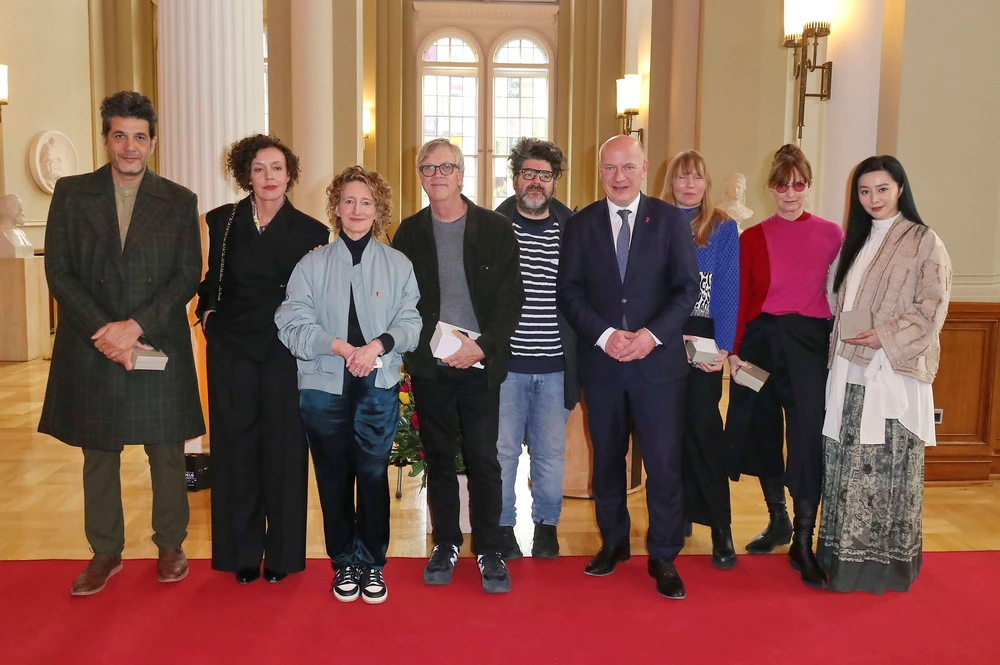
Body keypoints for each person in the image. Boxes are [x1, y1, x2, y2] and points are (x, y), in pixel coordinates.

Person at [39, 91, 204, 596]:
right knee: (99, 450)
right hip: (92, 344)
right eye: (120, 135)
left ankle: (170, 544)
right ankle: (105, 551)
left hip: (155, 341)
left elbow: (186, 276)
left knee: (167, 450)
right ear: (106, 138)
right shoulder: (71, 192)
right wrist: (105, 331)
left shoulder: (179, 199)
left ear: (152, 141)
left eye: (139, 136)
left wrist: (135, 327)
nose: (130, 146)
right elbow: (59, 270)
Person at [557, 135, 699, 599]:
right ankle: (613, 543)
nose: (618, 177)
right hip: (603, 367)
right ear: (599, 171)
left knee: (662, 464)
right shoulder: (580, 224)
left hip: (657, 367)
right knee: (606, 465)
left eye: (627, 167)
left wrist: (650, 336)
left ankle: (663, 555)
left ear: (644, 168)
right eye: (609, 168)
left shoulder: (670, 221)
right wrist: (604, 336)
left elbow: (685, 290)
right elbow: (570, 293)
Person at [276, 165, 421, 604]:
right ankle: (344, 562)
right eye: (348, 200)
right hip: (323, 387)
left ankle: (372, 563)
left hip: (377, 384)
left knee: (373, 476)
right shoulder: (312, 263)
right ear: (336, 207)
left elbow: (411, 321)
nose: (356, 209)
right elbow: (290, 321)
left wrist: (376, 346)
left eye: (366, 202)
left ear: (378, 211)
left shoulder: (398, 264)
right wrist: (338, 346)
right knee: (333, 478)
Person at [195, 134, 329, 585]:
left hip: (284, 352)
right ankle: (242, 553)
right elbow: (211, 280)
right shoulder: (221, 221)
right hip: (232, 348)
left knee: (285, 451)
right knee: (235, 450)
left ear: (289, 174)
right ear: (245, 175)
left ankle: (284, 555)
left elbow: (315, 298)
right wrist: (208, 315)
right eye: (258, 168)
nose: (268, 177)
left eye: (276, 168)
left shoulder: (313, 232)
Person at [392, 138, 524, 594]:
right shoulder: (408, 233)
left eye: (446, 167)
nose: (437, 175)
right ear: (421, 177)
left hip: (480, 364)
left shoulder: (495, 229)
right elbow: (401, 301)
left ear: (462, 174)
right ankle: (446, 541)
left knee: (486, 459)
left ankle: (488, 546)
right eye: (428, 168)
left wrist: (482, 347)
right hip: (432, 366)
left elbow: (512, 301)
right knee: (440, 458)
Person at [817, 156, 951, 593]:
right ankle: (841, 561)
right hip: (850, 366)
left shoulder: (923, 240)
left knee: (887, 466)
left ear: (900, 189)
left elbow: (933, 305)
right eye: (864, 191)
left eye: (882, 189)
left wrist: (886, 334)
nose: (873, 199)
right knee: (844, 464)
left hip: (892, 372)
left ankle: (882, 567)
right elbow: (839, 298)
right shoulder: (853, 241)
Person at [725, 144, 844, 589]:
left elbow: (847, 296)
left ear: (808, 185)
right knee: (757, 427)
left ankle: (803, 538)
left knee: (807, 435)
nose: (789, 193)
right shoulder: (751, 238)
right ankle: (777, 519)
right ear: (770, 186)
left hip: (809, 349)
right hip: (757, 347)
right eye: (781, 184)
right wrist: (733, 352)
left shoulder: (833, 235)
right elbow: (737, 301)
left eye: (798, 184)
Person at [493, 137, 579, 561]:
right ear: (515, 178)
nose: (535, 182)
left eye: (544, 175)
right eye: (528, 173)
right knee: (503, 451)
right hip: (505, 366)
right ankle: (504, 527)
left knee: (549, 453)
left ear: (555, 181)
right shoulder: (491, 226)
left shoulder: (574, 230)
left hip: (557, 364)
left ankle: (546, 524)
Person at [659, 150, 739, 569]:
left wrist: (723, 348)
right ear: (670, 182)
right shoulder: (653, 221)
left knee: (705, 430)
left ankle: (721, 529)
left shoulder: (723, 227)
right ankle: (676, 520)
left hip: (704, 335)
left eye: (697, 178)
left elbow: (727, 289)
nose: (689, 185)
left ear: (707, 183)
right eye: (681, 177)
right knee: (666, 435)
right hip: (661, 337)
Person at [0, 193, 34, 258]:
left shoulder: (22, 233)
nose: (21, 209)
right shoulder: (1, 235)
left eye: (21, 205)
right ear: (4, 209)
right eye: (16, 205)